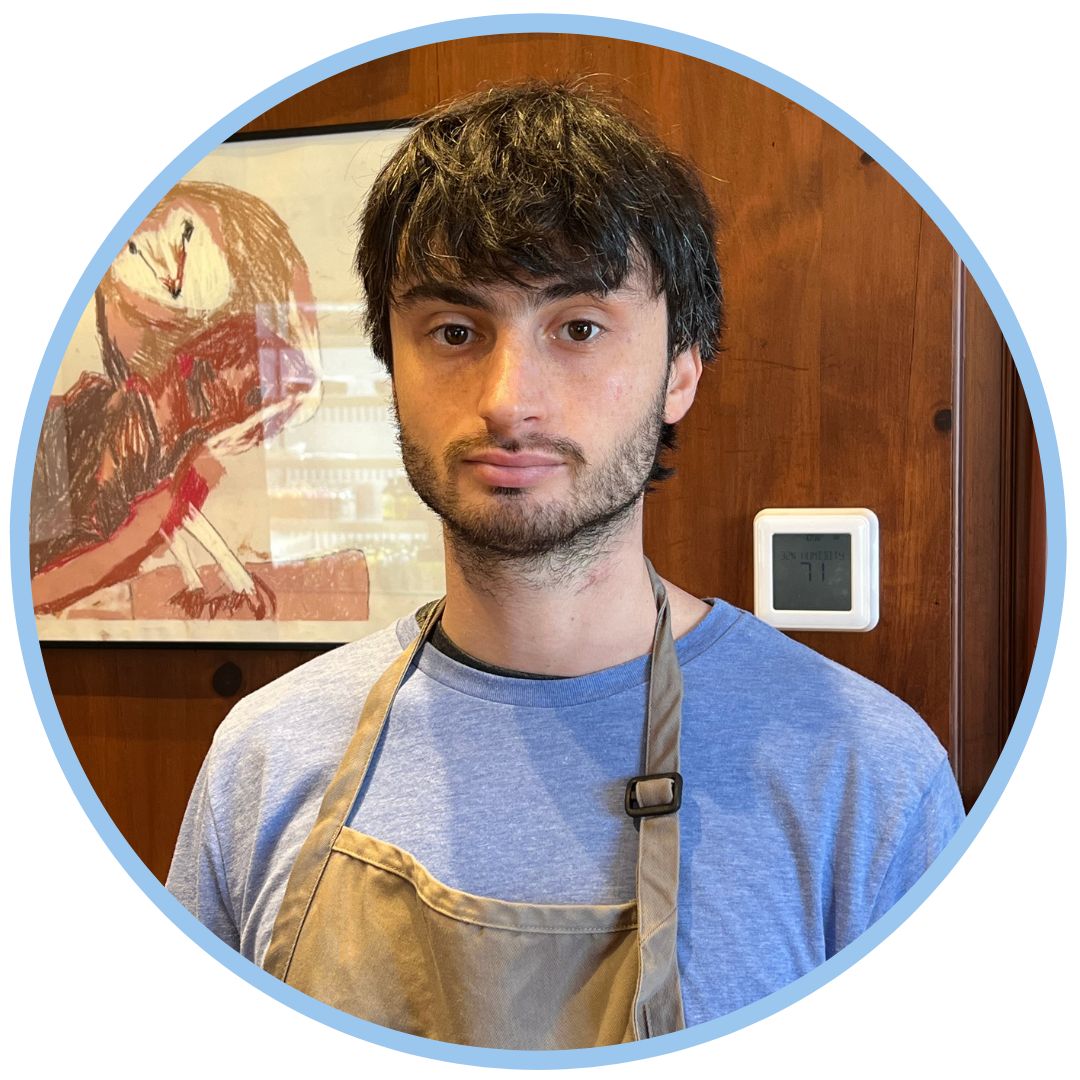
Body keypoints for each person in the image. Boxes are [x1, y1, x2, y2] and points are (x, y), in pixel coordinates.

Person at [167, 82, 965, 1049]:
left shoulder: (865, 780)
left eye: (579, 327)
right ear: (392, 370)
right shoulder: (265, 757)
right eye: (454, 332)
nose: (510, 400)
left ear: (681, 371)